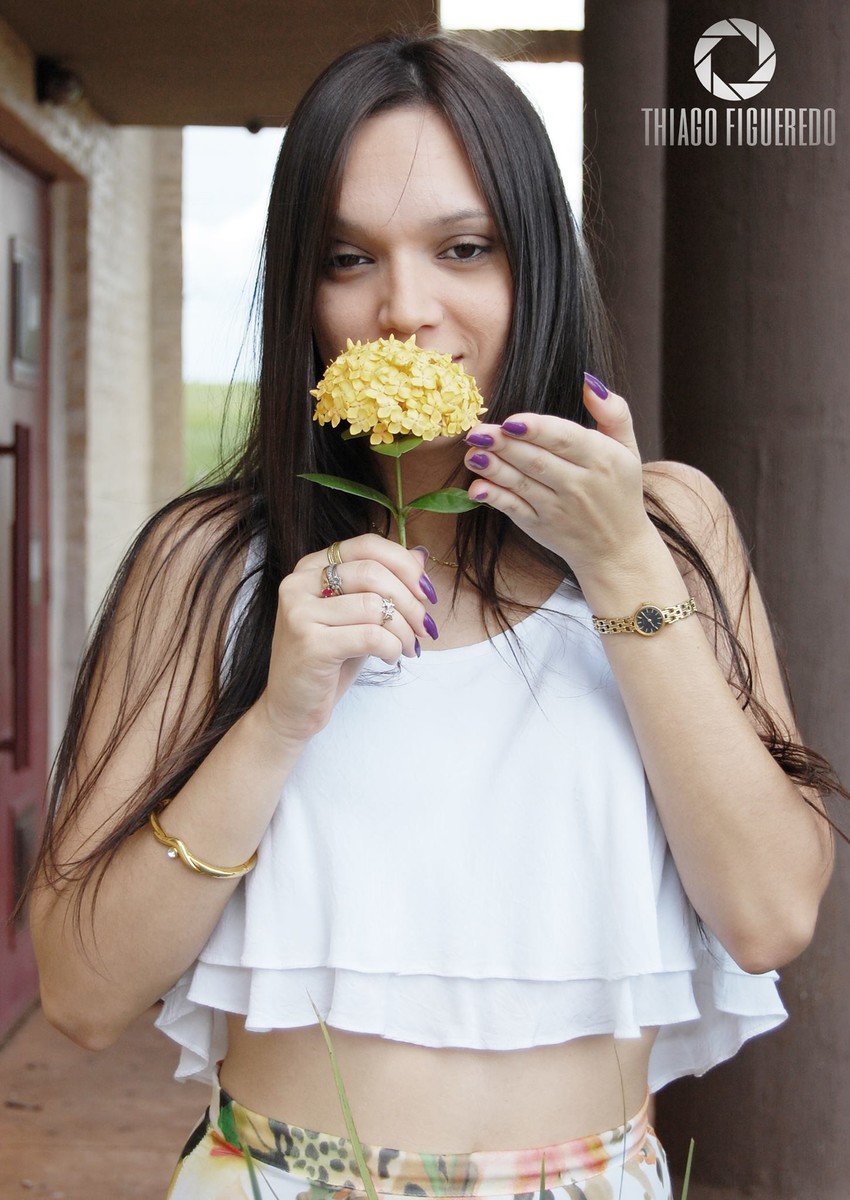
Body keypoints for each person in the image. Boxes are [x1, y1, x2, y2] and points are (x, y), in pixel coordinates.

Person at [29, 31, 837, 1200]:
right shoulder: (209, 560)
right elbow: (85, 994)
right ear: (300, 291)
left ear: (539, 265)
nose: (404, 309)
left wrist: (619, 572)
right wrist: (275, 718)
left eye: (465, 248)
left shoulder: (669, 529)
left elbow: (767, 918)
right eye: (347, 258)